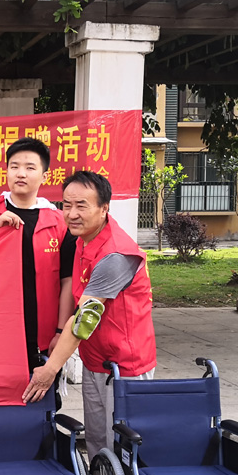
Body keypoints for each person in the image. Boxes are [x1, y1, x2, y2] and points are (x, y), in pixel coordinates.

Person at [22, 170, 157, 459]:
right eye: (66, 205)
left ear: (104, 208)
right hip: (96, 360)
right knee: (98, 444)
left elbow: (84, 320)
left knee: (125, 451)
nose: (72, 214)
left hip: (125, 367)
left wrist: (50, 370)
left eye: (81, 206)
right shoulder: (83, 240)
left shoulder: (115, 255)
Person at [0, 137, 76, 371]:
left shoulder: (60, 223)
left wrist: (61, 331)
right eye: (14, 166)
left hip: (40, 336)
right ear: (6, 171)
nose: (21, 173)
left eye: (30, 168)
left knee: (39, 390)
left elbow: (67, 281)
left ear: (44, 176)